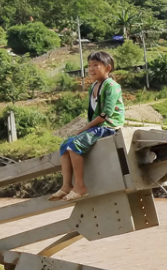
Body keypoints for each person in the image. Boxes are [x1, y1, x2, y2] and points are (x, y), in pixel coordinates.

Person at [49, 52, 125, 201]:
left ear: (107, 68)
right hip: (98, 126)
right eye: (89, 65)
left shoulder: (112, 86)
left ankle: (80, 186)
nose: (91, 68)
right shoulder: (93, 87)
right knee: (65, 144)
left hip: (109, 126)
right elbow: (93, 112)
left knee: (75, 143)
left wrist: (85, 128)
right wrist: (87, 128)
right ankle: (66, 186)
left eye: (96, 65)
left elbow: (105, 114)